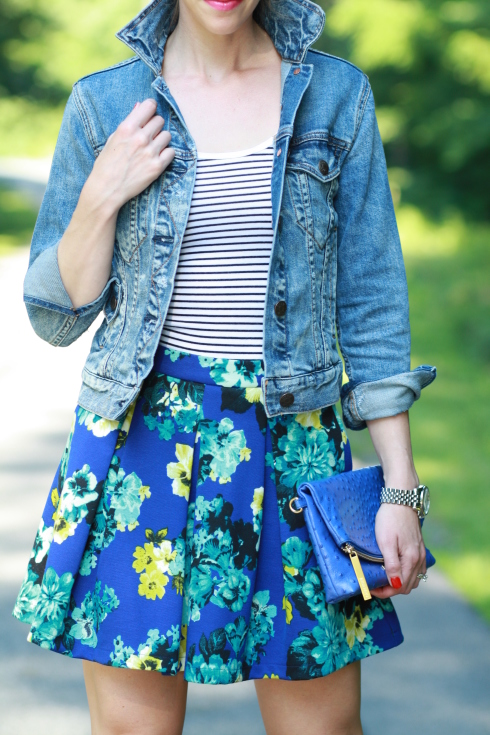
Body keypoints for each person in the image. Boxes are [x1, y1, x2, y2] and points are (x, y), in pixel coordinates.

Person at [12, 0, 436, 732]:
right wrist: (102, 192)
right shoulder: (107, 103)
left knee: (324, 727)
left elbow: (370, 303)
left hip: (294, 444)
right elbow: (58, 313)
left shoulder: (336, 97)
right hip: (141, 444)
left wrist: (400, 486)